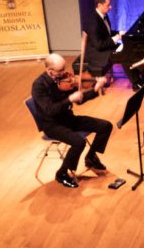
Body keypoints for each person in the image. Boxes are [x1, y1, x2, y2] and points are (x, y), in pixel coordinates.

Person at [30, 53, 113, 188]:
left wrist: (95, 89)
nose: (64, 73)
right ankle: (61, 173)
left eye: (64, 68)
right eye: (60, 70)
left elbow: (79, 100)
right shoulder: (39, 86)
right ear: (49, 71)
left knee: (105, 126)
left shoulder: (63, 80)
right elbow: (50, 110)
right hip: (52, 124)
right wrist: (69, 99)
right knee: (78, 142)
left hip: (68, 118)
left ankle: (91, 157)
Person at [82, 0, 123, 86]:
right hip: (95, 53)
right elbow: (99, 45)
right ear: (99, 5)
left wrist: (119, 33)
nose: (110, 7)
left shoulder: (104, 15)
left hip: (103, 46)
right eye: (108, 5)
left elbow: (106, 33)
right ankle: (135, 81)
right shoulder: (93, 21)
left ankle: (135, 79)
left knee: (126, 51)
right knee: (122, 54)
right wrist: (115, 39)